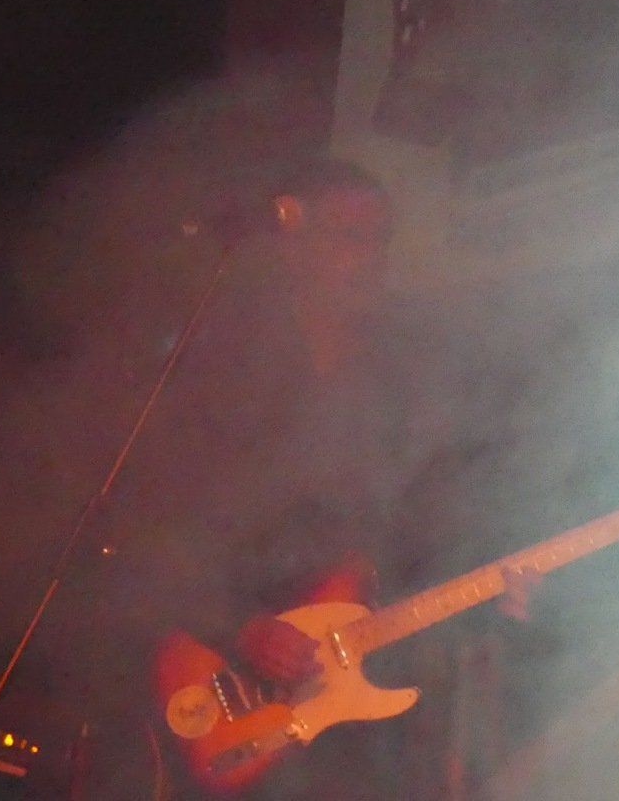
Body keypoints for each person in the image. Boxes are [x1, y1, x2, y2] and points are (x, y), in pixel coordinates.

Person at [77, 158, 536, 800]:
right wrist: (242, 627)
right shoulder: (228, 368)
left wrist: (494, 595)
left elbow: (417, 537)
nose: (369, 258)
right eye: (349, 237)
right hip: (228, 676)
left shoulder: (400, 380)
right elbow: (158, 534)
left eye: (380, 240)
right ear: (293, 249)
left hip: (345, 700)